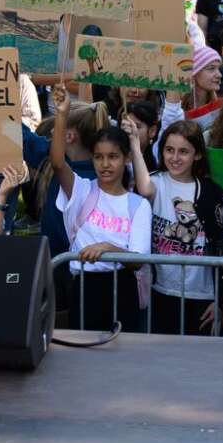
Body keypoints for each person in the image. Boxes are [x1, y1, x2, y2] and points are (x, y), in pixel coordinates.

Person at [51, 84, 151, 330]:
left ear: (126, 158)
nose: (105, 164)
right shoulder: (82, 189)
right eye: (99, 157)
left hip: (122, 289)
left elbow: (138, 259)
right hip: (84, 288)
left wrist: (107, 248)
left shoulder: (138, 205)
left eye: (113, 156)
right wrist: (62, 114)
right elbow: (57, 162)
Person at [137, 120, 223, 335]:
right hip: (160, 292)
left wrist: (221, 300)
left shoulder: (214, 194)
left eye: (183, 151)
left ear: (197, 155)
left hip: (202, 297)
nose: (175, 158)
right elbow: (144, 189)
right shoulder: (155, 183)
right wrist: (135, 145)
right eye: (169, 150)